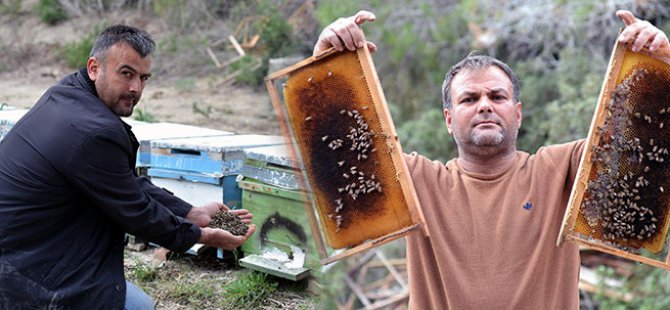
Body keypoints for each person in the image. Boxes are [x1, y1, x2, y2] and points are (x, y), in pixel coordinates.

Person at [314, 9, 670, 309]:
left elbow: (647, 145)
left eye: (497, 96)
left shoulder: (562, 170)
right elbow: (334, 157)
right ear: (449, 119)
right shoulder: (418, 181)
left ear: (518, 113)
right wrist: (325, 65)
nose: (484, 104)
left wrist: (662, 64)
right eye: (469, 99)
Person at [0, 25, 256, 309]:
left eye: (143, 78)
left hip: (32, 247)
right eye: (126, 73)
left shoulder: (67, 94)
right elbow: (136, 212)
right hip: (26, 271)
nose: (136, 88)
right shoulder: (92, 131)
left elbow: (122, 182)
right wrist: (201, 236)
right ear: (94, 67)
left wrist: (190, 212)